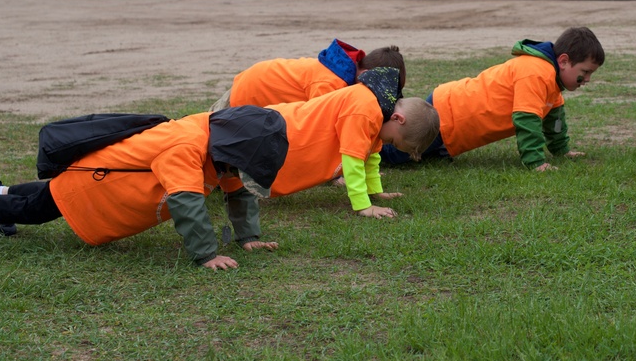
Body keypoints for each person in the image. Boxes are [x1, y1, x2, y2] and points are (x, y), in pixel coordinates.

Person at [0, 107, 289, 268]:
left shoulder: (223, 147)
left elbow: (238, 190)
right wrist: (206, 256)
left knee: (44, 195)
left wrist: (248, 238)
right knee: (35, 209)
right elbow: (186, 203)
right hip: (93, 185)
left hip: (97, 176)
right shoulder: (187, 147)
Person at [381, 26, 604, 171]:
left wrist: (562, 150)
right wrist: (536, 162)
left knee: (418, 156)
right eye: (585, 72)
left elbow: (554, 120)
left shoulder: (552, 82)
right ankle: (357, 141)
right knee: (394, 154)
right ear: (563, 61)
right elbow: (527, 119)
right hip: (447, 116)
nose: (587, 79)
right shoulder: (536, 73)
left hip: (453, 126)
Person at [245, 66, 440, 219]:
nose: (386, 143)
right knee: (233, 165)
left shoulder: (380, 112)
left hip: (282, 134)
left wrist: (375, 192)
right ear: (398, 118)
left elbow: (371, 157)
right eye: (392, 141)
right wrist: (364, 205)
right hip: (276, 132)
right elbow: (353, 160)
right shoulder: (364, 110)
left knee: (237, 174)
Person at [211, 39, 405, 111]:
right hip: (252, 92)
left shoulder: (343, 74)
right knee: (212, 139)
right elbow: (320, 126)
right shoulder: (330, 84)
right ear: (366, 75)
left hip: (253, 81)